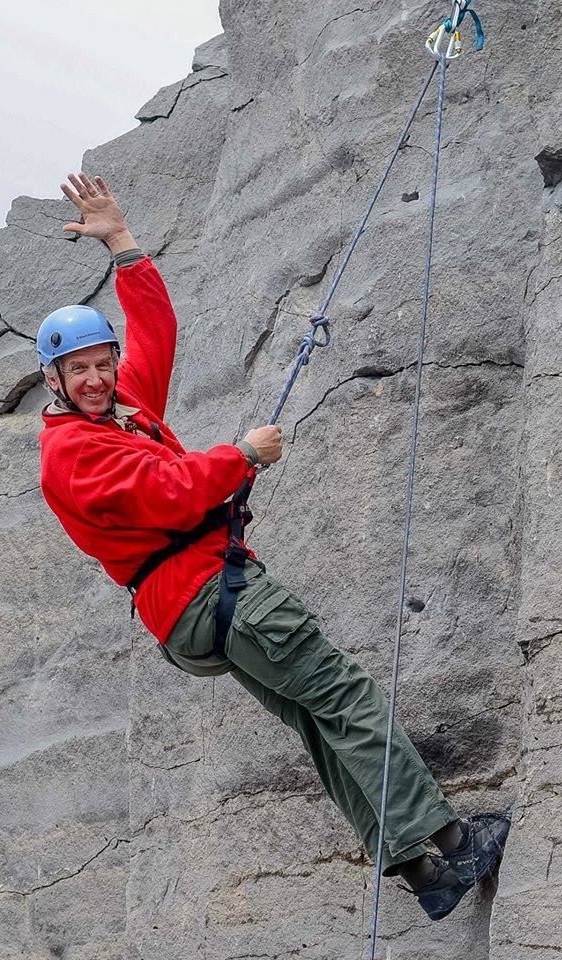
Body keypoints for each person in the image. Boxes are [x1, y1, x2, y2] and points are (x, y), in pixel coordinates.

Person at [38, 172, 510, 921]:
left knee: (318, 720)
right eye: (80, 370)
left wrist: (123, 243)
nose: (98, 379)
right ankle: (452, 839)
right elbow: (168, 494)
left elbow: (155, 335)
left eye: (101, 364)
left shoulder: (118, 415)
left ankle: (425, 876)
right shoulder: (72, 454)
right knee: (344, 696)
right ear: (54, 379)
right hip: (212, 594)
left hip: (193, 611)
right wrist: (243, 456)